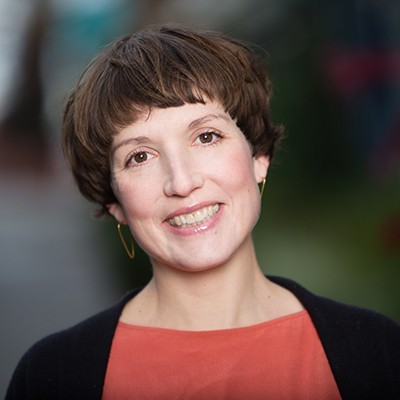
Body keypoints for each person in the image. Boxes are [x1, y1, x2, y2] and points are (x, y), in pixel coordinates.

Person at [6, 25, 400, 400]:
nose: (181, 182)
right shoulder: (53, 377)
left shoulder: (376, 354)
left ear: (258, 156)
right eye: (140, 157)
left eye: (206, 136)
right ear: (115, 203)